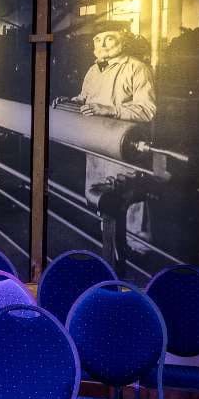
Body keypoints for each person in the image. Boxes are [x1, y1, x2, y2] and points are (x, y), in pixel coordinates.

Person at [68, 19, 156, 249]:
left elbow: (148, 110)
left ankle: (138, 250)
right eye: (98, 39)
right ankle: (108, 242)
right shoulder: (93, 70)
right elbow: (84, 98)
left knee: (128, 196)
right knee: (100, 193)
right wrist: (71, 103)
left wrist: (111, 110)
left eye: (109, 37)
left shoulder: (136, 68)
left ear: (122, 39)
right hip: (96, 141)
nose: (103, 43)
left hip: (124, 143)